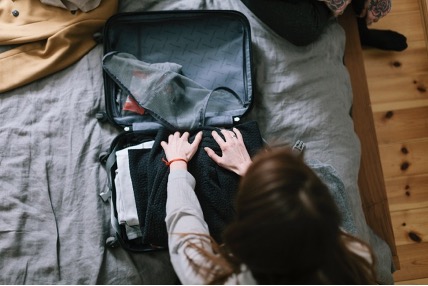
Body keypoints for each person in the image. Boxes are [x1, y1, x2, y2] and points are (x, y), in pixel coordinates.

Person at [161, 128, 378, 284]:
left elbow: (186, 243)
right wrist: (253, 171)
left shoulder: (223, 281)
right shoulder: (357, 256)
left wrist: (178, 165)